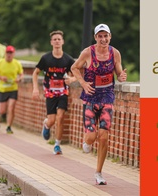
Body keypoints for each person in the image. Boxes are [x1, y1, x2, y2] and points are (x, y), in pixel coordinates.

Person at [71, 24, 127, 185]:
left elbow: (118, 72)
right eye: (100, 36)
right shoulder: (88, 52)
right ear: (95, 37)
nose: (103, 39)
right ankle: (86, 140)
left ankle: (99, 173)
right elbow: (74, 68)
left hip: (107, 98)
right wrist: (82, 83)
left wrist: (121, 76)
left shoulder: (115, 53)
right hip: (90, 98)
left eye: (106, 36)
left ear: (110, 36)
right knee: (91, 137)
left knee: (104, 137)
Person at [32, 30, 75, 155]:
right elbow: (35, 73)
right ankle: (46, 125)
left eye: (59, 39)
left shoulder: (67, 59)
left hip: (63, 93)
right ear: (51, 42)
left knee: (60, 118)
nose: (57, 41)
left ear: (63, 42)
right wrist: (35, 88)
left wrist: (72, 79)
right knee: (52, 120)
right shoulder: (46, 58)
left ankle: (57, 144)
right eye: (54, 39)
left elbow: (77, 75)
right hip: (50, 93)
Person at [0, 45, 23, 134]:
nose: (9, 55)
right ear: (5, 53)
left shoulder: (17, 63)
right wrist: (1, 77)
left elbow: (21, 74)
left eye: (11, 53)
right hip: (2, 89)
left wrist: (19, 79)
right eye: (7, 53)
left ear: (13, 54)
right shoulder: (0, 62)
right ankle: (1, 117)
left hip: (13, 88)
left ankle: (9, 126)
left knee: (11, 107)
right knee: (2, 110)